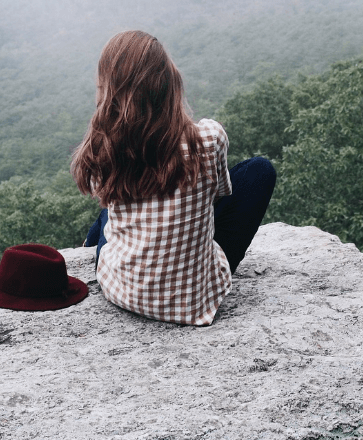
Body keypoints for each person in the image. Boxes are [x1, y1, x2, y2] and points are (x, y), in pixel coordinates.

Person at [71, 31, 276, 325]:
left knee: (109, 207)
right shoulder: (210, 138)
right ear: (169, 82)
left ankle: (91, 242)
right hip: (193, 303)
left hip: (120, 290)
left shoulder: (106, 148)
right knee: (259, 171)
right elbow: (217, 197)